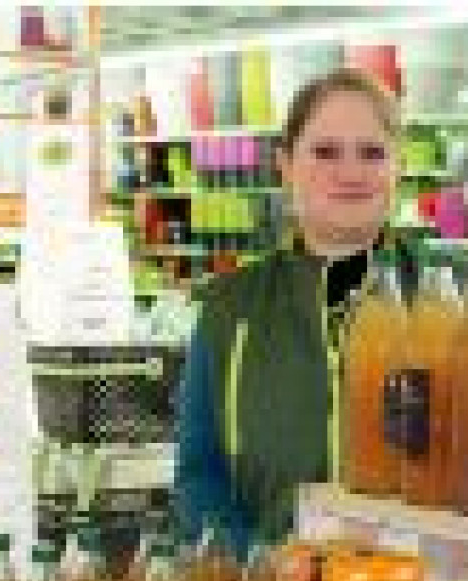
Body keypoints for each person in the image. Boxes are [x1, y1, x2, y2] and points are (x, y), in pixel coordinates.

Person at [175, 70, 417, 555]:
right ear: (285, 164)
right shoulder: (231, 307)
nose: (351, 173)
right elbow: (200, 476)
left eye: (372, 152)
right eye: (325, 151)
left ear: (399, 165)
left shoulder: (452, 301)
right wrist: (258, 563)